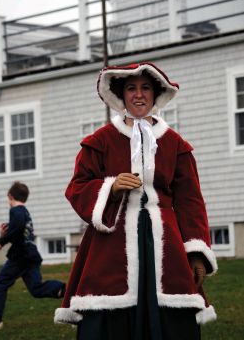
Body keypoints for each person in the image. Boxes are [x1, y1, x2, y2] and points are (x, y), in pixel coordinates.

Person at [54, 62, 218, 340]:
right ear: (121, 95)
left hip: (165, 243)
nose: (139, 95)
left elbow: (191, 202)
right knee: (109, 308)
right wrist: (111, 187)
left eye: (145, 88)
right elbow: (77, 187)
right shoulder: (100, 141)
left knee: (171, 307)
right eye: (131, 88)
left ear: (156, 95)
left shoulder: (176, 145)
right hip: (111, 243)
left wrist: (196, 252)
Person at [0, 181, 65, 332]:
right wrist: (6, 233)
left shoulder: (16, 211)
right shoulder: (25, 212)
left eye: (8, 198)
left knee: (0, 285)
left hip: (21, 256)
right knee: (36, 289)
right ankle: (66, 290)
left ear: (10, 196)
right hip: (31, 254)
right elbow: (19, 229)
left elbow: (17, 228)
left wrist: (1, 241)